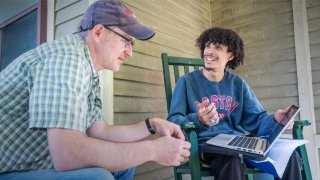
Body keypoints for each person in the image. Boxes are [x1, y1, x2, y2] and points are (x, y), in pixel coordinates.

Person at [0, 0, 191, 179]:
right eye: (126, 41)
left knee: (125, 163)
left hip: (33, 165)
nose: (130, 52)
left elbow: (99, 132)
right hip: (8, 169)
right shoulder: (67, 60)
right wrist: (153, 150)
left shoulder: (89, 69)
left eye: (132, 44)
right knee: (98, 177)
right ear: (98, 32)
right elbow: (68, 154)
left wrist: (152, 125)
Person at [167, 27, 302, 180]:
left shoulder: (238, 84)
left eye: (217, 47)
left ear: (230, 55)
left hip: (239, 143)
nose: (209, 51)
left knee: (290, 156)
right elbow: (173, 121)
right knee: (231, 159)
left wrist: (275, 119)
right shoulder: (186, 82)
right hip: (206, 144)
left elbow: (257, 120)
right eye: (207, 46)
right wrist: (199, 120)